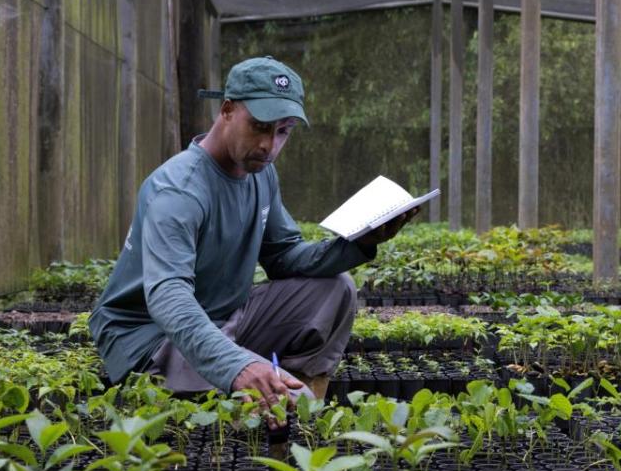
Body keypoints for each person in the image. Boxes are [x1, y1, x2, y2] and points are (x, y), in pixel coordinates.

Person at [89, 56, 415, 416]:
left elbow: (283, 255)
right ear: (227, 110)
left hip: (223, 317)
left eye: (283, 131)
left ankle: (291, 407)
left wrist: (360, 243)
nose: (269, 145)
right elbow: (169, 296)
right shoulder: (179, 191)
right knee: (257, 393)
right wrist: (238, 366)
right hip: (152, 337)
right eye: (259, 127)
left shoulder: (260, 173)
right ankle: (264, 397)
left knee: (336, 289)